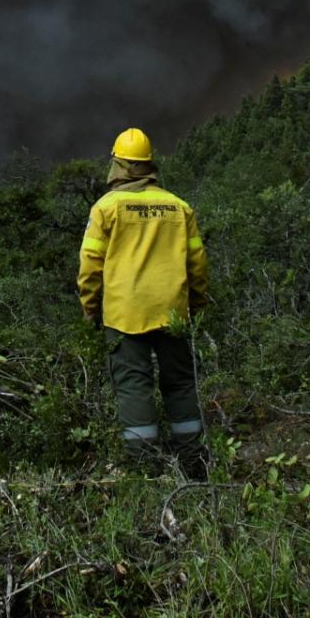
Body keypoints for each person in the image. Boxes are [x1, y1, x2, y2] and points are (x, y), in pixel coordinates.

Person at [78, 127, 210, 476]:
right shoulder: (179, 207)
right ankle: (193, 464)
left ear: (119, 164)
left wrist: (90, 308)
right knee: (180, 385)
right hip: (173, 313)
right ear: (148, 164)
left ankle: (145, 470)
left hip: (124, 315)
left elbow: (90, 265)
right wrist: (197, 306)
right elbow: (197, 264)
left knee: (134, 388)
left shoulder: (106, 208)